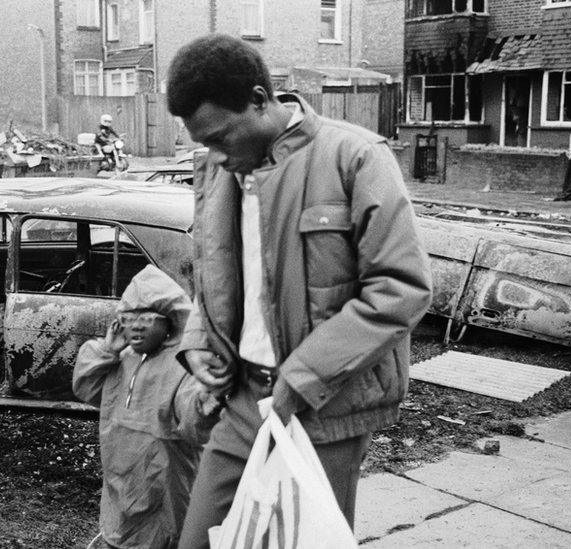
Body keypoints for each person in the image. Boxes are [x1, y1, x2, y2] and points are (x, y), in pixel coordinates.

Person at [165, 34, 433, 548]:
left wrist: (302, 379)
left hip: (325, 409)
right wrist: (198, 343)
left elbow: (401, 288)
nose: (216, 156)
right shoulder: (222, 172)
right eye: (206, 145)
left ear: (261, 99)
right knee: (198, 541)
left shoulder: (355, 157)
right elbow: (215, 277)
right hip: (242, 400)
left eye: (221, 137)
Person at [73, 265, 223, 549]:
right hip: (119, 481)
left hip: (163, 485)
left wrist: (206, 403)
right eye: (129, 318)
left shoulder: (182, 365)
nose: (137, 325)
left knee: (161, 538)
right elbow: (86, 388)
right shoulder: (122, 360)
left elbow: (193, 421)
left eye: (148, 317)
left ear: (170, 323)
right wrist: (107, 349)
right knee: (118, 533)